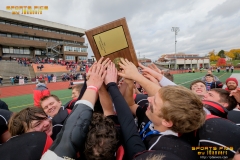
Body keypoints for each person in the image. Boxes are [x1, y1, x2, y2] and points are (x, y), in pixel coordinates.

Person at [117, 59, 205, 159]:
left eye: (154, 103)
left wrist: (137, 76)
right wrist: (129, 84)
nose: (148, 99)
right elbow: (131, 105)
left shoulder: (161, 149)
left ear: (167, 122)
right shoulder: (155, 116)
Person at [41, 58, 107, 159]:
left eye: (51, 103)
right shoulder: (49, 123)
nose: (50, 107)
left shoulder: (68, 110)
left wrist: (91, 85)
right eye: (46, 107)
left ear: (60, 102)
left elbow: (81, 105)